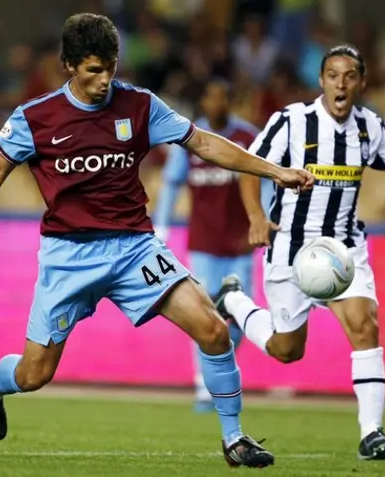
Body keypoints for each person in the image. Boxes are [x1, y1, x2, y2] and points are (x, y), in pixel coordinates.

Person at [0, 13, 315, 468]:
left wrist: (277, 171)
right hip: (69, 257)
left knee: (211, 328)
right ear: (69, 65)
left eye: (111, 66)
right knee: (34, 374)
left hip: (134, 248)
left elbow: (204, 143)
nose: (105, 78)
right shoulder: (36, 117)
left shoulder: (140, 105)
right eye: (93, 69)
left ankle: (234, 438)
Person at [214, 45, 385, 461]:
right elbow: (250, 167)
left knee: (365, 325)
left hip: (343, 248)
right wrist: (255, 216)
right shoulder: (292, 121)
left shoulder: (370, 127)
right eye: (332, 75)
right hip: (291, 249)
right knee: (287, 351)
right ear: (321, 80)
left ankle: (371, 433)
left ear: (361, 82)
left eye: (349, 76)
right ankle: (233, 300)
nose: (340, 83)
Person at [154, 78, 258, 413]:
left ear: (230, 101)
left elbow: (262, 182)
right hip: (203, 244)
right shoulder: (191, 139)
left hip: (239, 245)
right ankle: (204, 388)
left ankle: (221, 365)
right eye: (211, 97)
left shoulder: (246, 138)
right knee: (203, 315)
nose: (217, 103)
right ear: (205, 102)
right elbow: (171, 183)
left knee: (240, 318)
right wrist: (161, 227)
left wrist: (263, 222)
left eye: (223, 97)